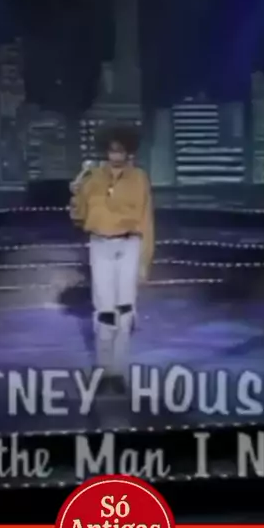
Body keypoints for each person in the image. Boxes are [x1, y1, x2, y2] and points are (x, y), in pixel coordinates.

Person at [69, 126, 154, 392]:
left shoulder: (139, 178)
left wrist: (144, 261)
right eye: (111, 150)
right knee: (105, 312)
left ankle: (119, 371)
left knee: (125, 311)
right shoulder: (92, 177)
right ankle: (105, 370)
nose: (115, 155)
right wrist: (76, 193)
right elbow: (79, 217)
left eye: (120, 150)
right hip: (100, 244)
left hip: (129, 244)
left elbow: (146, 220)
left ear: (129, 152)